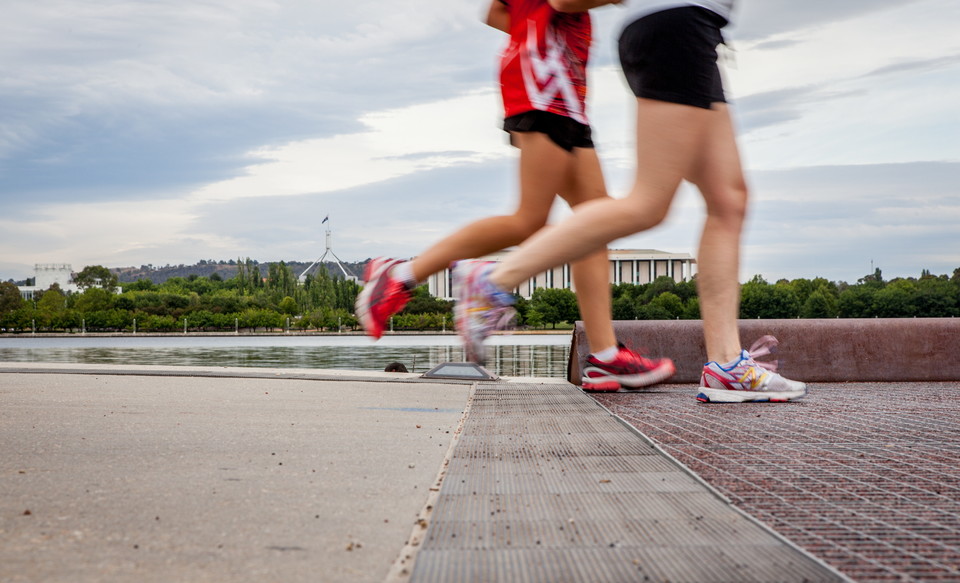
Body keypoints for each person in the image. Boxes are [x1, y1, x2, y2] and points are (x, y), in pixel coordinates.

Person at [453, 0, 808, 403]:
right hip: (676, 25)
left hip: (696, 28)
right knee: (649, 203)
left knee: (729, 199)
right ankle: (492, 281)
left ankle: (727, 366)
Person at [355, 0, 675, 392]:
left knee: (594, 224)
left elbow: (497, 12)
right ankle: (403, 274)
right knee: (530, 219)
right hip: (541, 88)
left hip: (564, 91)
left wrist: (532, 29)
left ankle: (606, 356)